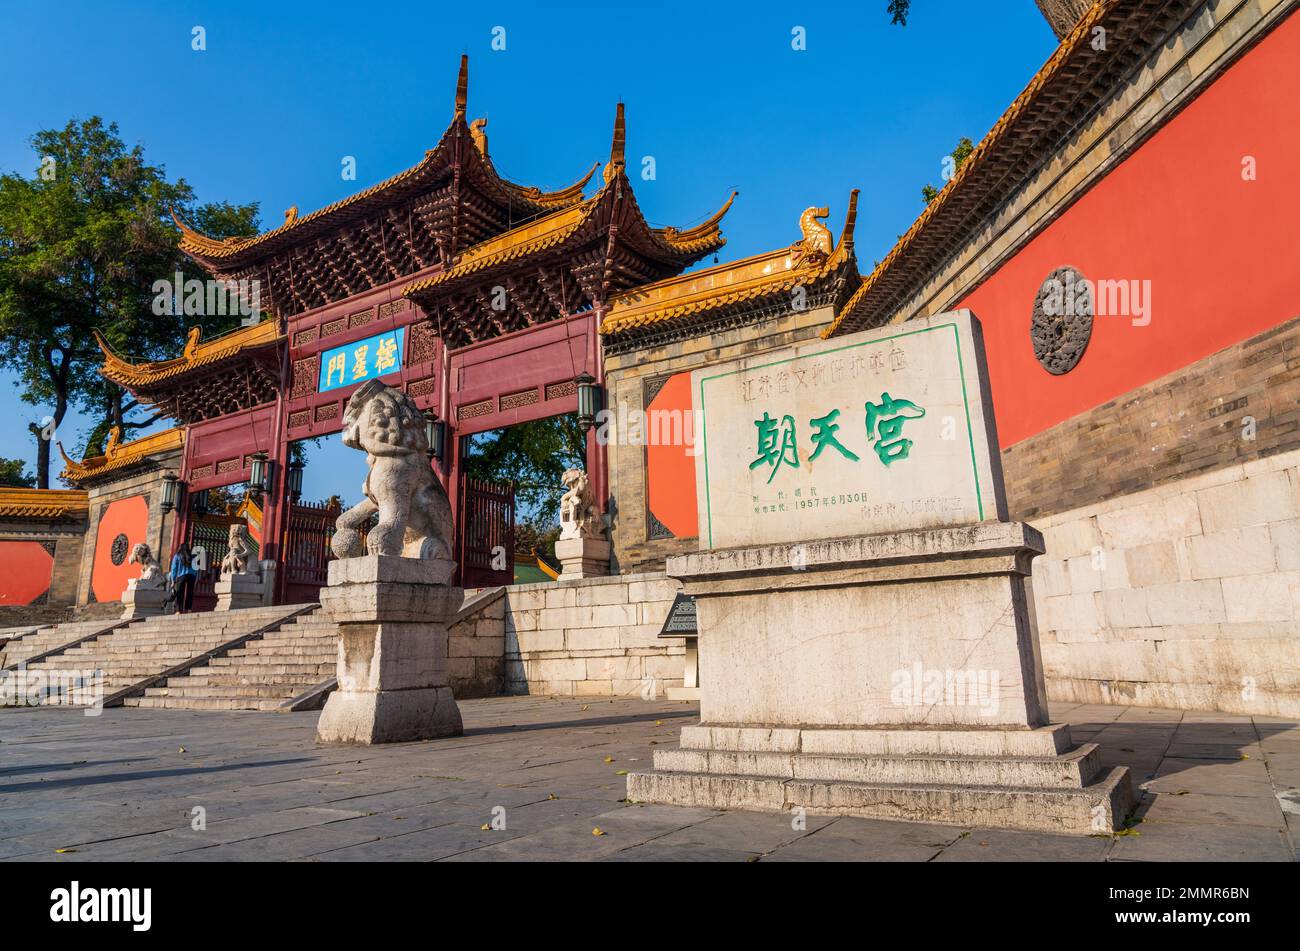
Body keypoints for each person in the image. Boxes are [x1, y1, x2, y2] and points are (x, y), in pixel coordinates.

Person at [170, 543, 198, 614]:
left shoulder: (177, 556)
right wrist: (196, 577)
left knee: (180, 593)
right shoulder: (193, 556)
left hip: (181, 576)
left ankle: (179, 610)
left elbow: (174, 569)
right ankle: (189, 609)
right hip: (192, 576)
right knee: (190, 593)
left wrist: (173, 580)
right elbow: (196, 568)